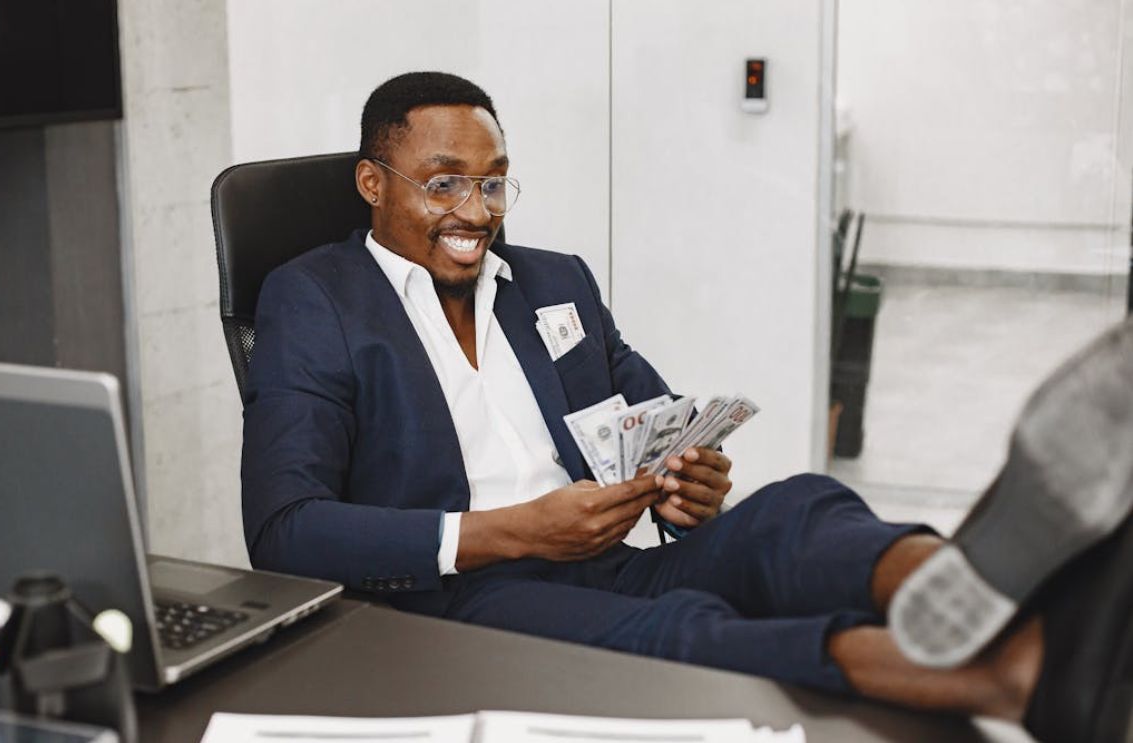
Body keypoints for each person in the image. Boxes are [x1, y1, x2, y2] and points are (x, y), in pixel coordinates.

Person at [241, 71, 1133, 742]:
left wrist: (683, 480)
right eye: (443, 183)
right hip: (455, 600)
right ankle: (1013, 672)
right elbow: (286, 528)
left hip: (600, 556)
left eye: (493, 182)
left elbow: (654, 409)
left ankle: (960, 591)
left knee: (794, 511)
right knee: (680, 630)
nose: (475, 210)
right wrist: (516, 531)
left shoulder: (553, 281)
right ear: (372, 182)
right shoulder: (314, 298)